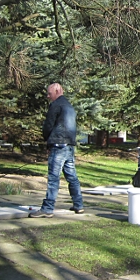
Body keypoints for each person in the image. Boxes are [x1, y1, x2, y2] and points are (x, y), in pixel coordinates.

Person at [30, 83, 84, 218]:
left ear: (57, 90)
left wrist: (47, 141)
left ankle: (47, 209)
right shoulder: (69, 106)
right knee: (72, 177)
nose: (48, 96)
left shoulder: (56, 105)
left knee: (53, 178)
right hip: (69, 146)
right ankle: (79, 205)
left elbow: (48, 125)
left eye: (49, 93)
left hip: (58, 145)